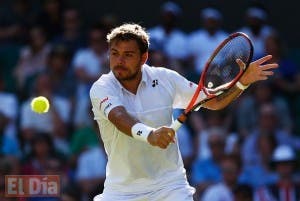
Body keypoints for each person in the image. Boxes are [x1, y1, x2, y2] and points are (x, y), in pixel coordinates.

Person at [89, 23, 278, 201]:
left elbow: (213, 103)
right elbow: (119, 117)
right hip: (122, 191)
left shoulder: (166, 78)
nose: (119, 61)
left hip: (170, 185)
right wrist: (150, 135)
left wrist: (243, 82)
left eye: (128, 55)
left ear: (144, 57)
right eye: (114, 54)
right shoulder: (102, 87)